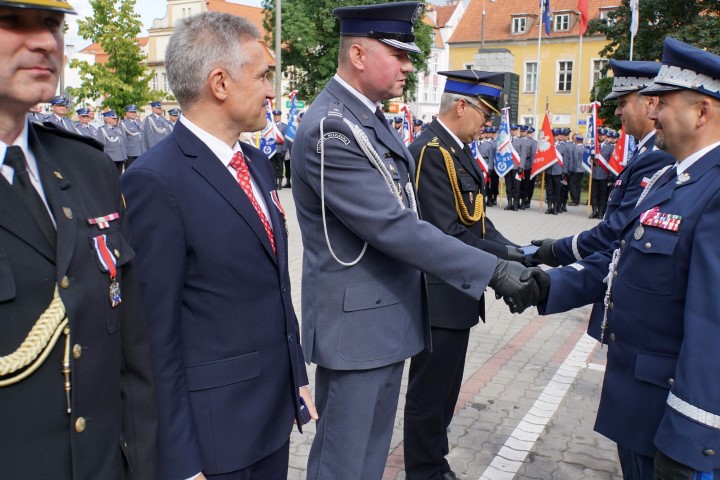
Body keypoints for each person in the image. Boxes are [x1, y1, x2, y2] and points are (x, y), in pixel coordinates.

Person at [290, 3, 542, 479]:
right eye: (398, 53)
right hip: (357, 329)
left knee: (367, 463)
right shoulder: (332, 128)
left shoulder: (369, 119)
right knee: (343, 467)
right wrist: (491, 269)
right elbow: (394, 225)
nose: (410, 65)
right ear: (359, 54)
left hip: (384, 321)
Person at [121, 12, 315, 480]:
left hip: (270, 417)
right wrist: (181, 462)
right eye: (264, 75)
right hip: (215, 440)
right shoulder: (155, 181)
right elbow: (153, 338)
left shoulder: (255, 162)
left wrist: (297, 378)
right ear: (220, 83)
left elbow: (272, 281)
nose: (273, 91)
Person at [531, 37, 720, 480]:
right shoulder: (670, 180)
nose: (652, 113)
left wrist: (693, 437)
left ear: (703, 112)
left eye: (664, 103)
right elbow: (622, 259)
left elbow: (713, 328)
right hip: (639, 408)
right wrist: (547, 284)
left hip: (676, 424)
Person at [0, 1, 157, 478]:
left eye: (52, 24)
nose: (45, 42)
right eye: (11, 21)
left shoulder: (87, 166)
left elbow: (132, 352)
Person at [405, 70, 529, 480]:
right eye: (484, 113)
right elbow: (445, 233)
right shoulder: (432, 152)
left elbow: (475, 220)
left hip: (458, 291)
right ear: (461, 106)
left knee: (445, 391)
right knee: (430, 393)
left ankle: (434, 461)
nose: (488, 123)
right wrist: (501, 264)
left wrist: (517, 251)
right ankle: (424, 470)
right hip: (438, 293)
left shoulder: (455, 150)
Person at [97, 110, 127, 174]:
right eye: (113, 118)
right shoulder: (102, 129)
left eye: (116, 118)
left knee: (120, 175)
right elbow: (102, 145)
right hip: (112, 157)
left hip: (121, 156)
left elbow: (122, 141)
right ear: (107, 119)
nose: (116, 120)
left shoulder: (118, 128)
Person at [270, 109, 286, 189]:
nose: (276, 117)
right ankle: (274, 182)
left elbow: (285, 139)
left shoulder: (284, 126)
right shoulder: (270, 126)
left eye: (278, 116)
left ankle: (280, 181)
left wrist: (284, 150)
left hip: (280, 148)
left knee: (280, 166)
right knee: (273, 166)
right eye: (275, 116)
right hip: (272, 149)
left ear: (280, 116)